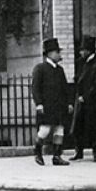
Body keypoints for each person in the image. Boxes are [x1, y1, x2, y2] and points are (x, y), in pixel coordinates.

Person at [32, 38, 73, 166]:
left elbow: (65, 88)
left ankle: (57, 156)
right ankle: (37, 153)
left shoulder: (60, 70)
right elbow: (35, 88)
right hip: (47, 106)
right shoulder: (40, 68)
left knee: (59, 130)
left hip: (59, 106)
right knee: (44, 130)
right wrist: (39, 104)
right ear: (50, 54)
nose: (59, 55)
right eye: (57, 52)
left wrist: (69, 103)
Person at [70, 35, 96, 162]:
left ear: (88, 50)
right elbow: (77, 79)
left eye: (82, 50)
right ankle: (78, 151)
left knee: (93, 127)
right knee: (78, 127)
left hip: (93, 102)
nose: (80, 52)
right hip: (80, 100)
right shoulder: (81, 63)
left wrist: (85, 97)